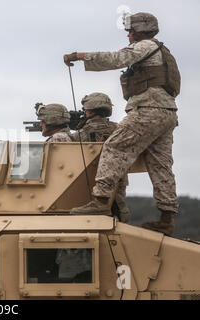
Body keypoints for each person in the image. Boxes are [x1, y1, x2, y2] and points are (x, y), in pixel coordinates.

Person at [63, 12, 180, 236]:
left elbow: (116, 59)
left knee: (115, 147)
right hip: (167, 114)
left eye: (131, 30)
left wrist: (80, 56)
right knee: (160, 164)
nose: (128, 34)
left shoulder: (145, 47)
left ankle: (100, 201)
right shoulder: (163, 52)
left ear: (141, 30)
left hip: (148, 110)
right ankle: (167, 218)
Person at [71, 92, 130, 222]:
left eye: (86, 110)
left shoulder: (82, 133)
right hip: (118, 179)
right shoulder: (118, 128)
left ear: (90, 111)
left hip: (93, 181)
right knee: (117, 207)